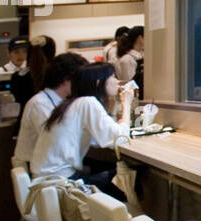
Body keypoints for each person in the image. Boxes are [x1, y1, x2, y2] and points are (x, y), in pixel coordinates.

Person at [31, 61, 133, 200]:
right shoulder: (87, 102)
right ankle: (132, 219)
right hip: (63, 185)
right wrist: (126, 103)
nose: (117, 81)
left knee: (115, 173)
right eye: (113, 77)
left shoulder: (69, 104)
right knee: (130, 174)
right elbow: (119, 138)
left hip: (47, 182)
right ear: (99, 82)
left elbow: (100, 138)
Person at [12, 53, 86, 171]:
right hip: (45, 174)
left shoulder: (56, 101)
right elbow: (58, 140)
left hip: (55, 168)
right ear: (67, 79)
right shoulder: (40, 104)